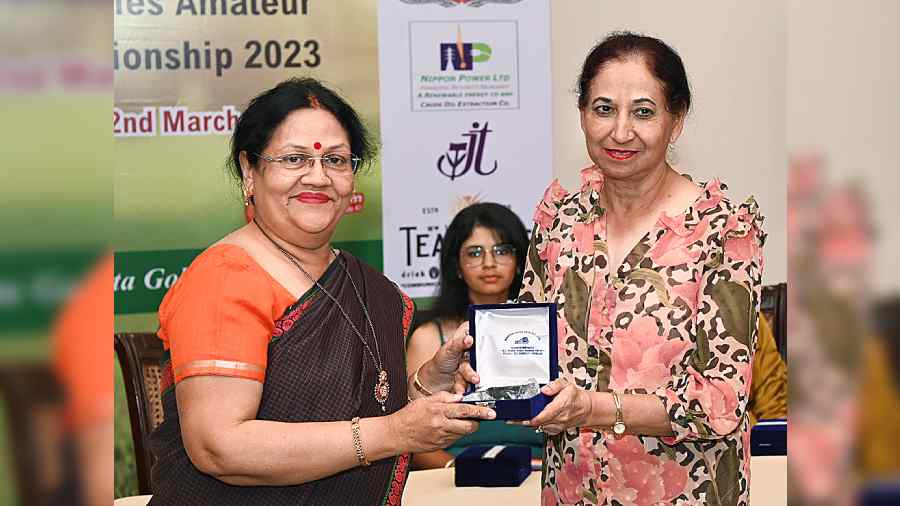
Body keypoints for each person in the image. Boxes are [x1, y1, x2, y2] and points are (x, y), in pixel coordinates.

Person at [147, 77, 495, 505]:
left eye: (336, 160)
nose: (317, 177)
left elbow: (363, 408)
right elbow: (220, 447)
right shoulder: (224, 278)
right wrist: (393, 433)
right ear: (248, 171)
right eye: (294, 159)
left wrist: (427, 384)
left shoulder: (365, 284)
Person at [517, 33, 766, 505]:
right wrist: (478, 371)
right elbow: (530, 352)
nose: (621, 131)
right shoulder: (560, 223)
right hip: (572, 489)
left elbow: (720, 402)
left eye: (644, 112)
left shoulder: (721, 230)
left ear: (676, 122)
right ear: (583, 115)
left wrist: (591, 408)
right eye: (604, 108)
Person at [406, 202, 541, 469]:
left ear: (518, 262)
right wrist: (463, 472)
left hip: (539, 475)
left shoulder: (545, 332)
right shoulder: (428, 338)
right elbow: (410, 438)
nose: (489, 263)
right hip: (451, 480)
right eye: (475, 253)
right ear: (457, 266)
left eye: (501, 251)